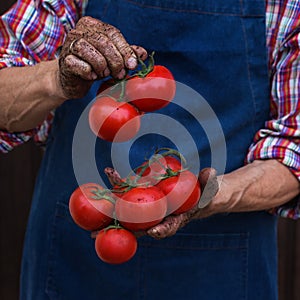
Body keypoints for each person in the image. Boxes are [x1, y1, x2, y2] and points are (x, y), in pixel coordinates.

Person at [0, 0, 299, 299]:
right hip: (74, 260)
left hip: (225, 269)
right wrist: (57, 78)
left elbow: (293, 149)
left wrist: (216, 193)